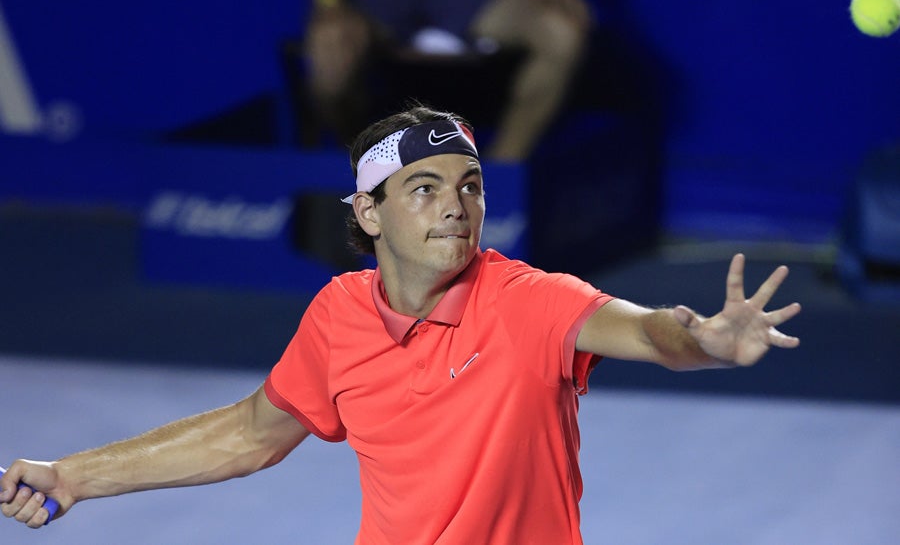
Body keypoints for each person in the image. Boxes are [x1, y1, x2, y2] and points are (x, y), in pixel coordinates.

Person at [1, 105, 802, 543]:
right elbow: (251, 433)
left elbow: (646, 331)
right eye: (424, 187)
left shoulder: (530, 299)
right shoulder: (338, 316)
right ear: (369, 213)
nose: (457, 204)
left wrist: (704, 343)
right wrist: (72, 476)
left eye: (471, 184)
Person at [303, 0, 591, 162]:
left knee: (559, 34)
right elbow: (329, 0)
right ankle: (363, 171)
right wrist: (330, 2)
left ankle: (499, 179)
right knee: (330, 63)